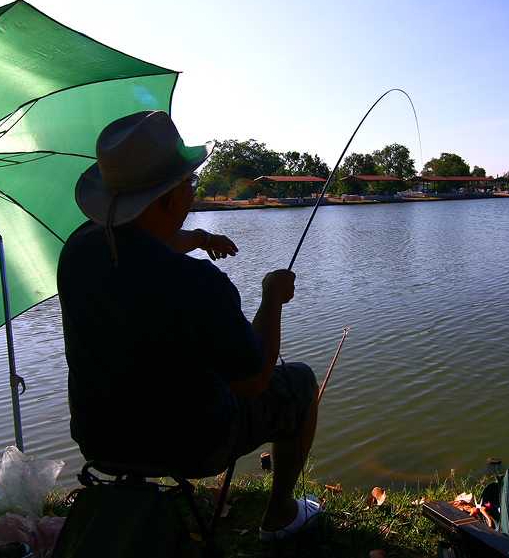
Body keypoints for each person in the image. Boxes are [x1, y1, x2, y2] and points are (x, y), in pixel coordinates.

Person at [56, 110, 320, 541]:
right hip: (193, 444)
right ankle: (280, 515)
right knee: (299, 383)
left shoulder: (79, 250)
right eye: (189, 185)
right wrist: (271, 300)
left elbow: (144, 242)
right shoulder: (198, 285)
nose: (192, 192)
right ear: (171, 201)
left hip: (100, 438)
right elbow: (253, 381)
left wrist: (199, 238)